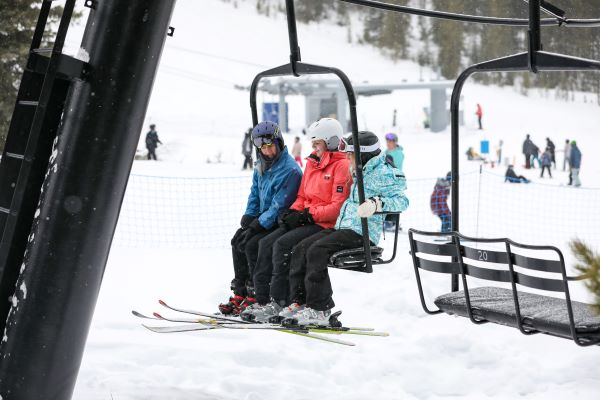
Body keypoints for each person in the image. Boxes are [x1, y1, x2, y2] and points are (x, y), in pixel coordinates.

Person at [286, 131, 409, 326]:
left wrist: (377, 204)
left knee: (317, 251)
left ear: (363, 154)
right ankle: (300, 302)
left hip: (362, 233)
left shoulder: (384, 173)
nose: (347, 157)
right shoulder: (360, 170)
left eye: (351, 154)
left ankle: (320, 309)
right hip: (344, 227)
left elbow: (402, 201)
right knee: (302, 247)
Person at [241, 118, 351, 322]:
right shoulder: (312, 163)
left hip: (324, 223)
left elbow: (337, 207)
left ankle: (280, 299)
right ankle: (273, 299)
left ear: (331, 142)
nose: (314, 148)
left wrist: (308, 214)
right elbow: (302, 196)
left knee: (285, 245)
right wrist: (292, 212)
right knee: (268, 242)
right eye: (313, 144)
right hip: (308, 219)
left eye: (317, 144)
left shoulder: (341, 166)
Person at [219, 121, 302, 315]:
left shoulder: (291, 170)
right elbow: (255, 193)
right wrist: (249, 215)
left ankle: (255, 292)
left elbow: (279, 204)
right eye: (263, 148)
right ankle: (240, 291)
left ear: (279, 143)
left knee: (252, 244)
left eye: (270, 146)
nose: (267, 151)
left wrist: (258, 224)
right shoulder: (261, 166)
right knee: (237, 241)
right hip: (263, 219)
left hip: (280, 221)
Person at [384, 132, 404, 232]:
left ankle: (393, 222)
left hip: (395, 181)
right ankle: (387, 221)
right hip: (385, 181)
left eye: (390, 141)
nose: (388, 143)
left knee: (394, 200)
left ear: (395, 142)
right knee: (386, 200)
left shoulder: (398, 153)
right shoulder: (385, 152)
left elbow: (396, 166)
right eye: (387, 141)